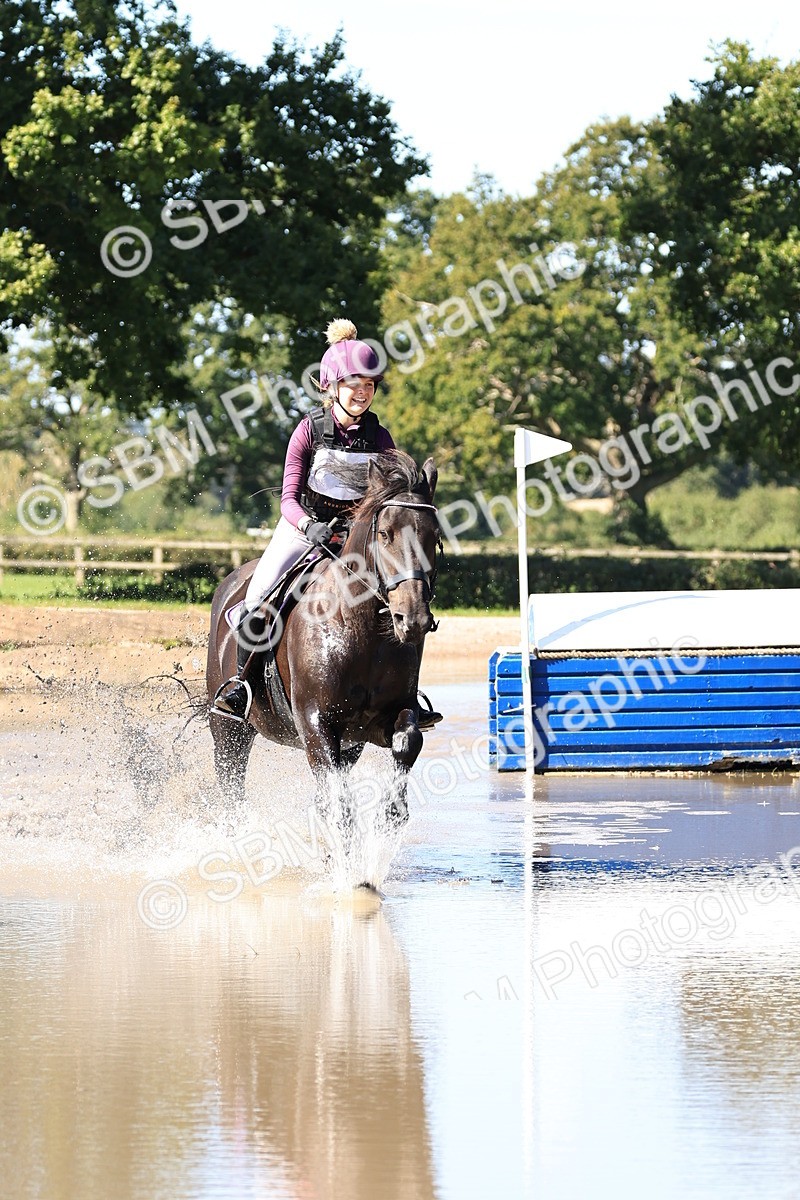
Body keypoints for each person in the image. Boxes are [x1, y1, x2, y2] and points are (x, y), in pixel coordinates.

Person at [211, 318, 442, 727]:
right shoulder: (308, 431)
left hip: (357, 537)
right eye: (354, 384)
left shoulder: (381, 438)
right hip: (304, 529)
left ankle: (405, 694)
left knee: (403, 597)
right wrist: (309, 526)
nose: (362, 392)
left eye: (369, 385)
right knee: (258, 595)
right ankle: (240, 686)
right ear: (333, 386)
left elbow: (389, 501)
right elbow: (287, 499)